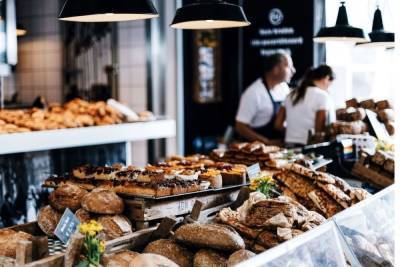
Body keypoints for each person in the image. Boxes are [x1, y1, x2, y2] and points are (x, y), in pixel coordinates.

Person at [235, 52, 295, 145]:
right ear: (276, 69)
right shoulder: (254, 92)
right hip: (258, 150)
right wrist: (266, 142)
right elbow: (240, 127)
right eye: (288, 66)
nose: (293, 70)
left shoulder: (284, 87)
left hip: (281, 147)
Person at [274, 64, 336, 147]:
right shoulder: (322, 96)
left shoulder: (291, 94)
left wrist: (293, 132)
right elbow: (319, 131)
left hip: (288, 145)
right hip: (308, 147)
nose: (329, 88)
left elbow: (277, 125)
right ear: (327, 78)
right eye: (330, 84)